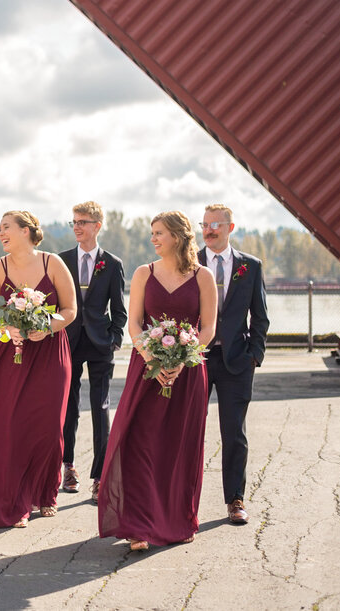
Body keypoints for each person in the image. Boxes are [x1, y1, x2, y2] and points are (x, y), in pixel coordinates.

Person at [98, 211, 216, 551]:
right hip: (146, 370)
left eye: (159, 232)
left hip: (188, 373)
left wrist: (182, 358)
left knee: (179, 446)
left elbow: (207, 327)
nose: (153, 238)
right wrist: (152, 357)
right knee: (140, 443)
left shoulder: (202, 276)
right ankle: (138, 526)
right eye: (152, 232)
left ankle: (177, 519)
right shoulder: (142, 274)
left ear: (178, 236)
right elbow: (134, 324)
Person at [0, 211, 76, 527]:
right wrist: (6, 328)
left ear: (27, 231)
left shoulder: (52, 264)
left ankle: (46, 494)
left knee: (47, 427)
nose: (0, 233)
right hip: (9, 356)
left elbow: (70, 309)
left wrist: (48, 325)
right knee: (9, 426)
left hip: (50, 354)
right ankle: (14, 498)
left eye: (6, 227)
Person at [198, 204, 269, 525]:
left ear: (230, 227)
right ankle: (184, 502)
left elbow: (261, 316)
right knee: (188, 432)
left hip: (237, 363)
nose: (209, 230)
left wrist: (254, 355)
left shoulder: (250, 267)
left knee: (234, 435)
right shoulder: (191, 262)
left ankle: (235, 500)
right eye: (204, 224)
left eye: (215, 224)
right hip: (194, 361)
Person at [58, 202, 127, 502]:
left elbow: (120, 309)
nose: (76, 226)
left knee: (100, 408)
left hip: (100, 343)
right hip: (69, 342)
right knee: (68, 408)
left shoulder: (112, 264)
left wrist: (114, 338)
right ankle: (67, 467)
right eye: (74, 221)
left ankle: (100, 476)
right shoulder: (61, 261)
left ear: (97, 225)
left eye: (83, 222)